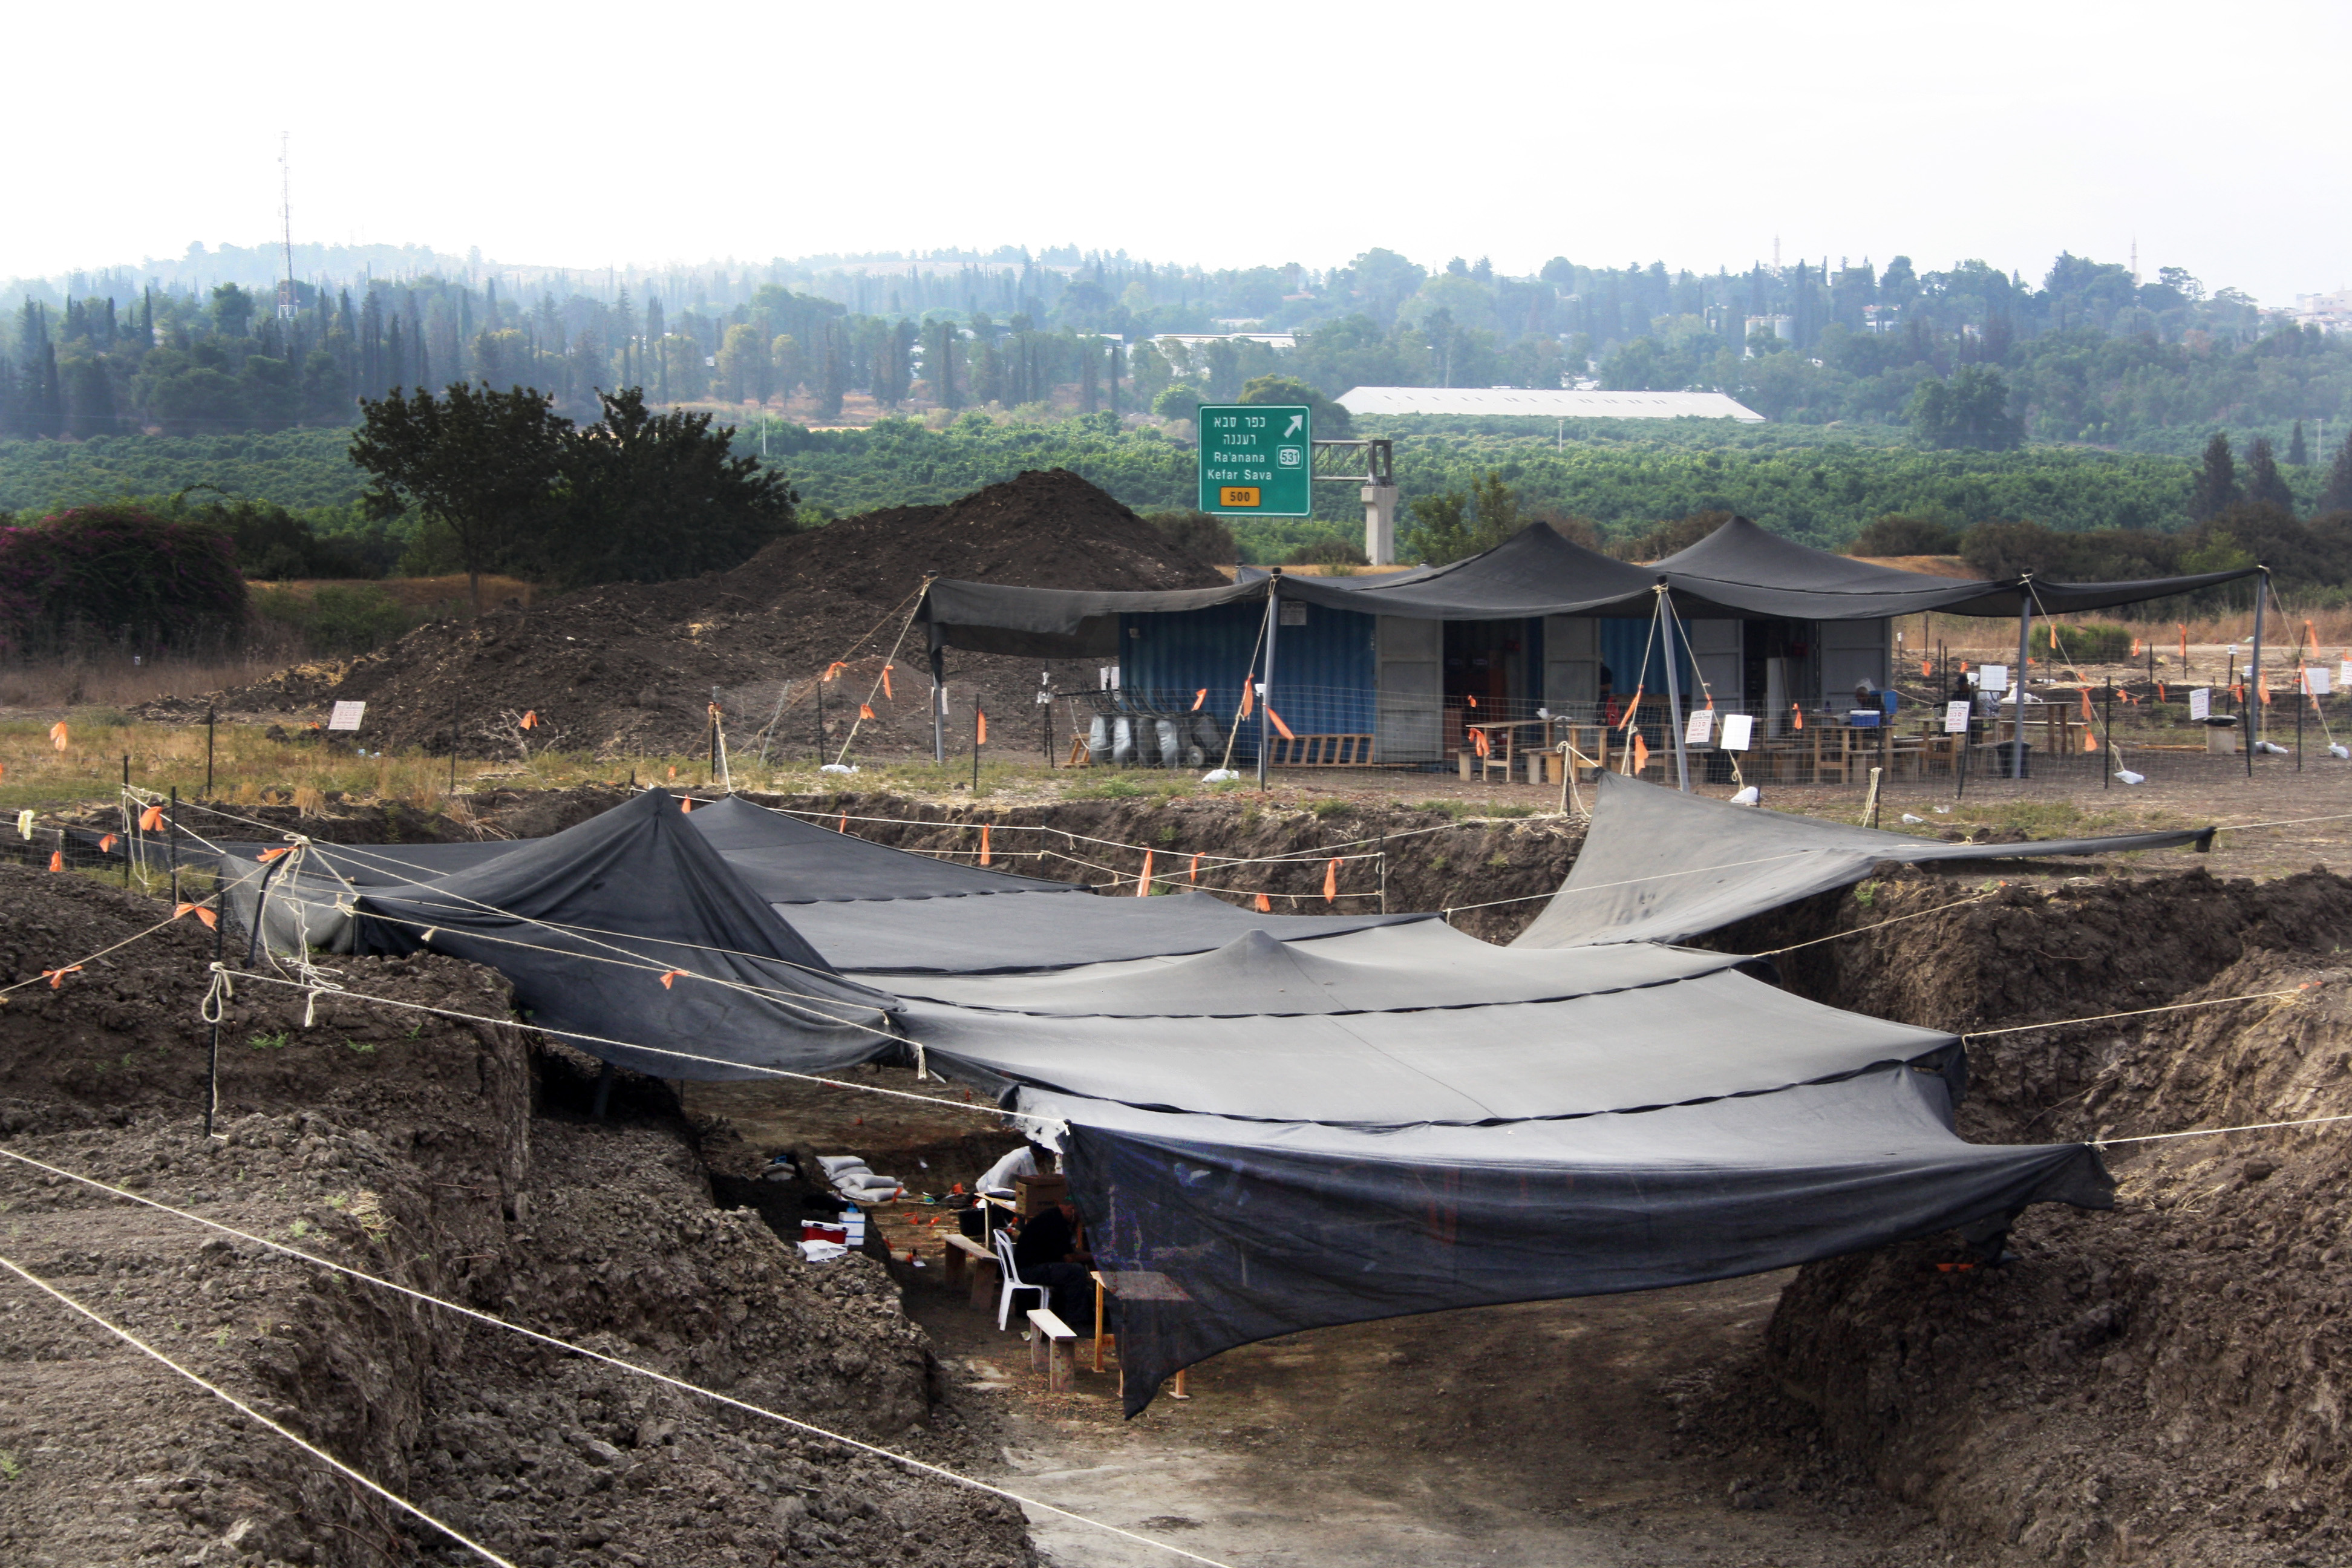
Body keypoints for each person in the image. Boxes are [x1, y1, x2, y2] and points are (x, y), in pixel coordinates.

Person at [1011, 1196, 1094, 1328]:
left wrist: (1092, 1255)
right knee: (1075, 1271)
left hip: (1029, 1266)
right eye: (1079, 1215)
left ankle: (1065, 1313)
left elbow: (1070, 1251)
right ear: (1072, 1209)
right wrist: (1095, 1258)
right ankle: (1078, 1321)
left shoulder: (1053, 1216)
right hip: (1028, 1270)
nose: (1079, 1220)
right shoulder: (1056, 1223)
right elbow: (1069, 1258)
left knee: (1068, 1270)